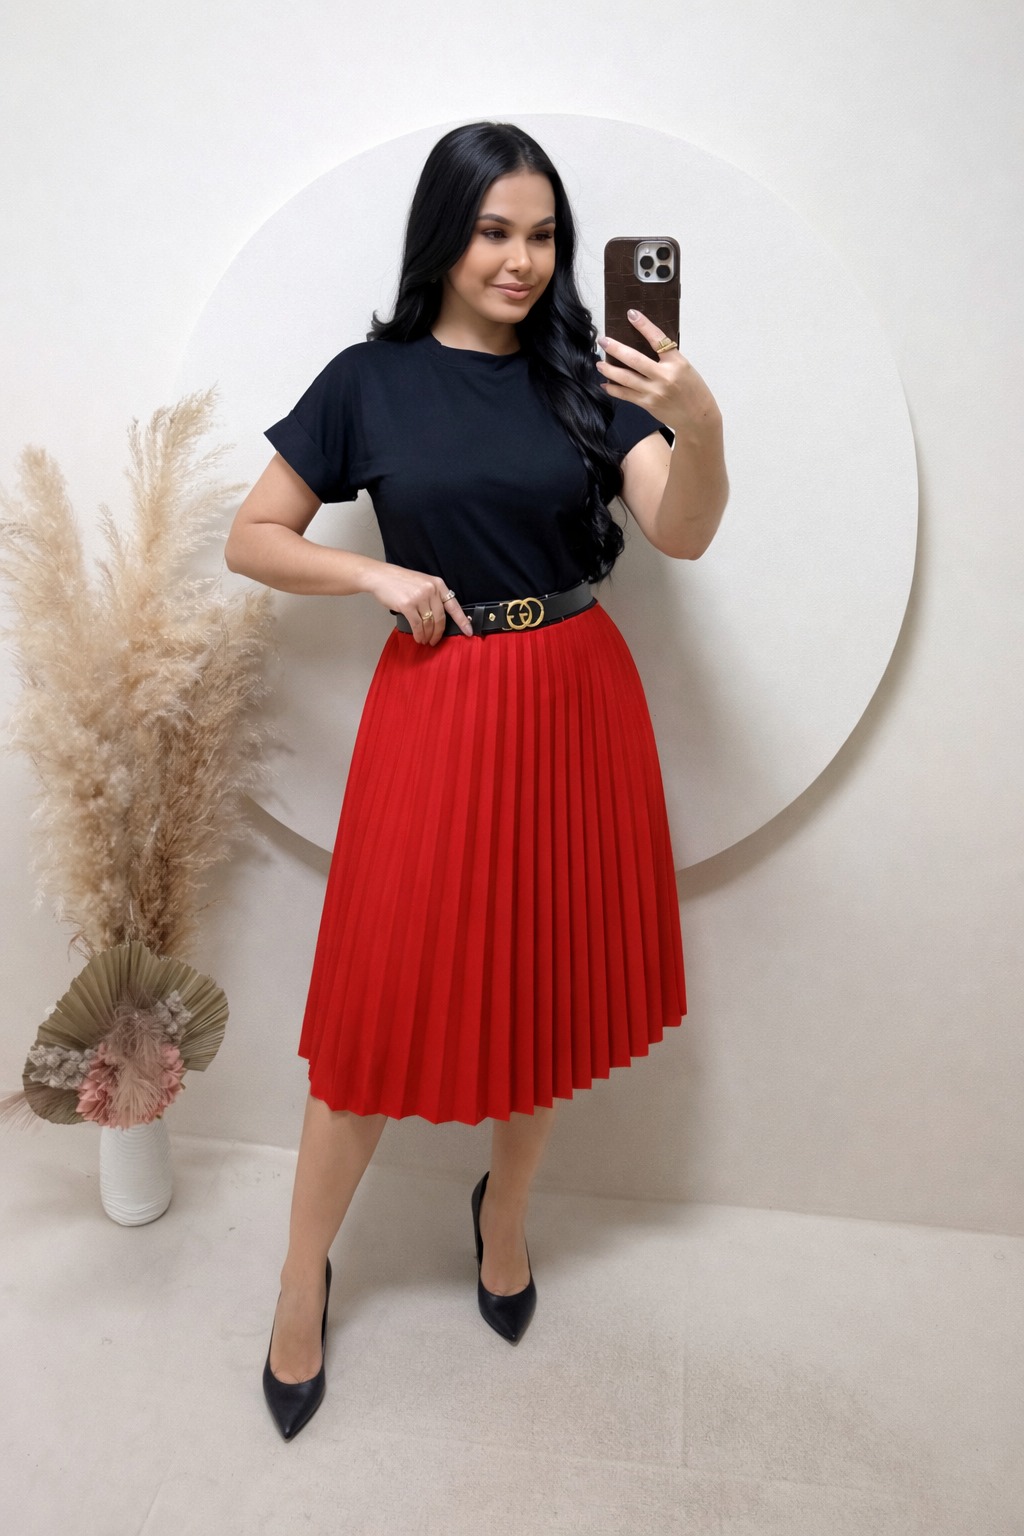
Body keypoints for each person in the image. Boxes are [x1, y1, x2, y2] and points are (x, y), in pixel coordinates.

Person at [225, 120, 729, 1440]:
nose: (521, 259)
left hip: (575, 700)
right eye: (496, 230)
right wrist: (373, 571)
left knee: (542, 978)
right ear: (444, 236)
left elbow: (680, 530)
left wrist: (702, 427)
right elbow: (253, 535)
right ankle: (300, 1277)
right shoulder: (368, 381)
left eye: (544, 235)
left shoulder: (588, 374)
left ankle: (504, 1214)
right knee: (377, 1008)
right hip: (439, 705)